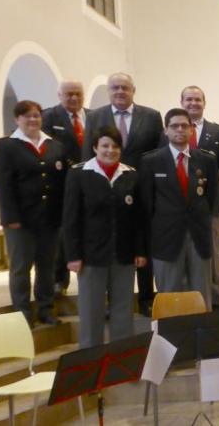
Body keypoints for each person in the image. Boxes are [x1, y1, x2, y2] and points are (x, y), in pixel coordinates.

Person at [84, 72, 165, 316]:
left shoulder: (151, 116)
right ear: (109, 91)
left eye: (125, 88)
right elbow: (87, 154)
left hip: (141, 190)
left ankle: (146, 298)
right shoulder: (95, 116)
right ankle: (114, 300)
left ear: (133, 90)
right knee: (112, 244)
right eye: (115, 88)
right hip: (107, 191)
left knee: (143, 244)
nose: (120, 91)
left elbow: (159, 155)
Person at [63, 127, 145, 347]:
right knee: (91, 311)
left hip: (124, 255)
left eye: (115, 146)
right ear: (95, 148)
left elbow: (138, 219)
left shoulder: (131, 174)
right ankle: (91, 363)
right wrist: (73, 255)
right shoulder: (79, 174)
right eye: (105, 146)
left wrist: (140, 250)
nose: (110, 150)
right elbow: (70, 219)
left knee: (123, 310)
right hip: (90, 257)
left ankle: (121, 361)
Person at [0, 100, 67, 325]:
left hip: (49, 219)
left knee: (47, 266)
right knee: (20, 268)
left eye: (36, 115)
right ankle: (22, 313)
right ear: (17, 119)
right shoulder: (7, 145)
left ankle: (45, 309)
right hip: (21, 220)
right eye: (27, 116)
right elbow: (3, 184)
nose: (33, 120)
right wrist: (10, 217)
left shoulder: (54, 145)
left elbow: (60, 182)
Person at [139, 108, 219, 310]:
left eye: (185, 125)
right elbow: (146, 206)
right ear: (166, 130)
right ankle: (171, 342)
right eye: (174, 126)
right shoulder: (151, 161)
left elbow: (212, 200)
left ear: (192, 130)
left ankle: (202, 340)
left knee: (202, 297)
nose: (180, 130)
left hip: (198, 238)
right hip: (166, 239)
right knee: (170, 299)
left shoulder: (207, 160)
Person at [180, 86, 219, 309]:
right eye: (189, 99)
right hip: (181, 207)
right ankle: (191, 298)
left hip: (211, 204)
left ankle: (217, 299)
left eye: (197, 100)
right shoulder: (171, 131)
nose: (193, 103)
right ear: (182, 102)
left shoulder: (218, 132)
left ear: (204, 103)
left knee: (214, 253)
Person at [42, 80, 89, 296]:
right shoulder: (48, 117)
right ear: (59, 95)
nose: (74, 98)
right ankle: (59, 281)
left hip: (90, 184)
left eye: (78, 94)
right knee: (62, 236)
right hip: (62, 185)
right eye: (69, 94)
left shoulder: (92, 116)